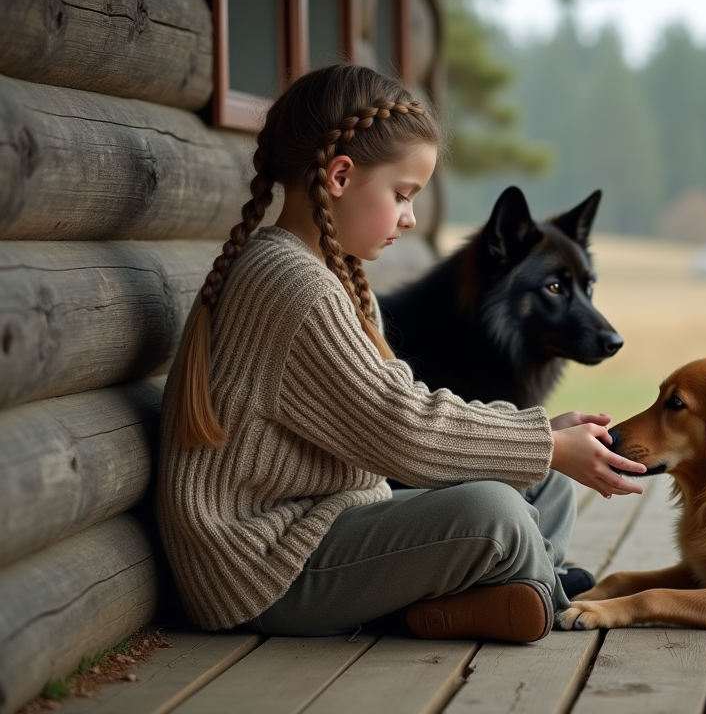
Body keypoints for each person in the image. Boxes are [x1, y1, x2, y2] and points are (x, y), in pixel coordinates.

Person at [157, 64, 646, 644]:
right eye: (403, 195)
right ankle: (545, 592)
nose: (411, 217)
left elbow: (397, 417)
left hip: (324, 521)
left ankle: (520, 589)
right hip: (265, 569)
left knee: (547, 484)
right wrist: (545, 442)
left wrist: (544, 441)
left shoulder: (322, 271)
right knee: (498, 513)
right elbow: (403, 429)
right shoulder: (295, 286)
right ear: (340, 175)